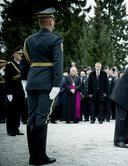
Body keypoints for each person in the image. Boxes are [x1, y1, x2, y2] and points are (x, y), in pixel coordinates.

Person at [20, 7, 63, 165]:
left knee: (31, 118)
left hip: (31, 83)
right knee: (42, 118)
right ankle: (40, 156)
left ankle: (33, 156)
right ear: (51, 22)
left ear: (40, 23)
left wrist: (24, 82)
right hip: (47, 85)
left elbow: (24, 63)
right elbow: (58, 64)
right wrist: (57, 85)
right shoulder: (56, 39)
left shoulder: (29, 40)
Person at [4, 47, 26, 136]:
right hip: (12, 91)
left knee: (18, 111)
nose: (21, 55)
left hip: (20, 91)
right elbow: (7, 80)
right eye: (19, 53)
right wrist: (8, 93)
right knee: (11, 111)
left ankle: (16, 128)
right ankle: (10, 130)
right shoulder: (10, 65)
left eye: (21, 54)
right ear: (14, 54)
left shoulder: (22, 64)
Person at [0, 59, 7, 123]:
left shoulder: (6, 70)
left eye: (2, 63)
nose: (1, 64)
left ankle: (3, 117)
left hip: (4, 87)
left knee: (3, 103)